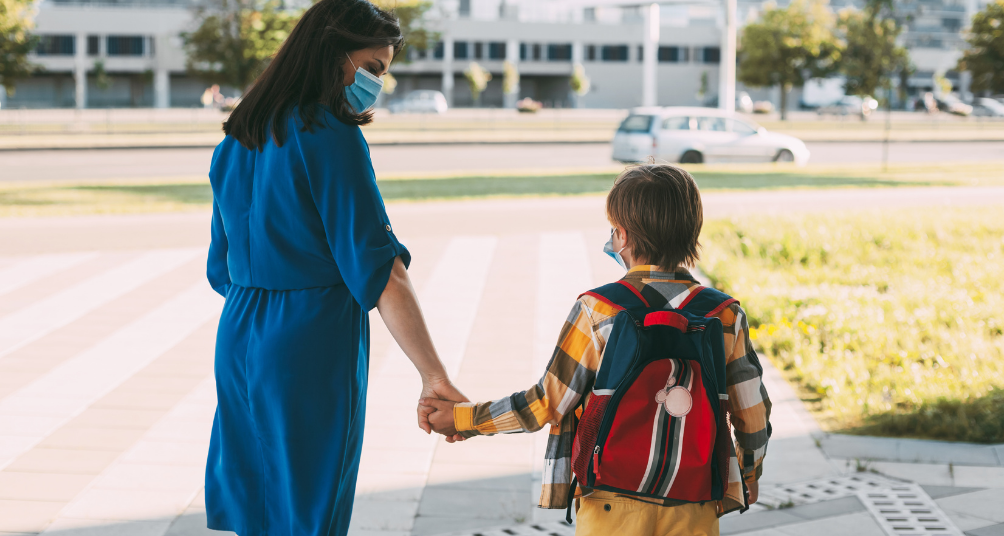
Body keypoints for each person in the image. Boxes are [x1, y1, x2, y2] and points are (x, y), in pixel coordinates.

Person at [203, 1, 466, 534]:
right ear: (332, 53)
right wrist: (434, 375)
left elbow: (220, 269)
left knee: (257, 504)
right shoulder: (329, 134)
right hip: (311, 337)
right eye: (371, 68)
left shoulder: (236, 140)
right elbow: (379, 269)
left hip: (240, 336)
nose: (375, 83)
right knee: (309, 509)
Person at [420, 165, 772, 536]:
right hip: (693, 501)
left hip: (609, 503)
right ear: (692, 231)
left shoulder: (598, 310)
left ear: (622, 235)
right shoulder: (724, 314)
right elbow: (753, 414)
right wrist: (748, 473)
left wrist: (464, 419)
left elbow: (546, 403)